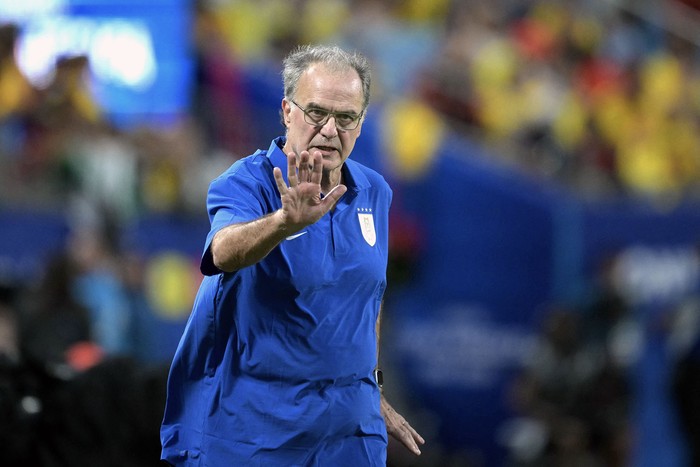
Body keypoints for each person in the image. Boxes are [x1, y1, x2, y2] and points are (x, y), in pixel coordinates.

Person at [160, 44, 424, 466]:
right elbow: (223, 253)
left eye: (346, 118)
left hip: (349, 430)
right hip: (256, 428)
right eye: (316, 113)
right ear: (287, 111)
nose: (330, 129)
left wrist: (371, 388)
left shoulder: (375, 192)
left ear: (360, 123)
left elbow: (366, 296)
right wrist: (284, 222)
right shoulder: (247, 182)